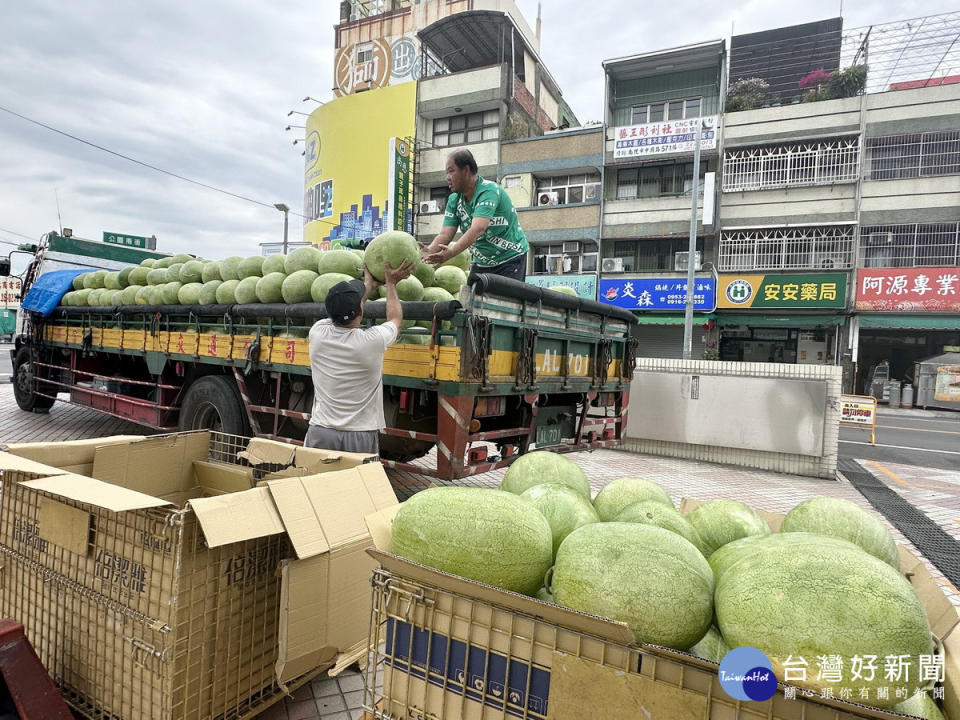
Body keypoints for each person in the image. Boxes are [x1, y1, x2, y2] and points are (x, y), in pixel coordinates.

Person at [305, 259, 414, 454]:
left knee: (316, 483)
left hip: (321, 431)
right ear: (361, 312)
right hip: (360, 435)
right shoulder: (371, 341)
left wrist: (368, 287)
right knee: (357, 484)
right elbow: (396, 321)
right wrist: (391, 284)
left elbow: (349, 313)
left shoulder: (318, 333)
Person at [422, 148, 529, 280]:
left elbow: (478, 229)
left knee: (506, 300)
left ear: (466, 170)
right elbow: (445, 234)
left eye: (451, 171)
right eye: (446, 173)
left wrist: (451, 253)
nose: (447, 178)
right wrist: (430, 250)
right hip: (481, 262)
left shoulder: (488, 191)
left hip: (510, 258)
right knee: (473, 299)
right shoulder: (454, 200)